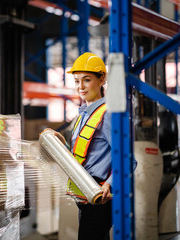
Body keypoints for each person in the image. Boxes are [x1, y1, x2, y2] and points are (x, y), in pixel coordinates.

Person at [53, 52, 113, 240]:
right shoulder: (83, 115)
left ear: (102, 79)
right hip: (85, 196)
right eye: (77, 81)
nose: (81, 87)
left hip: (100, 195)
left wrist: (110, 185)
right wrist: (61, 144)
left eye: (86, 80)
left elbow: (128, 159)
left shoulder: (108, 114)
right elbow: (84, 154)